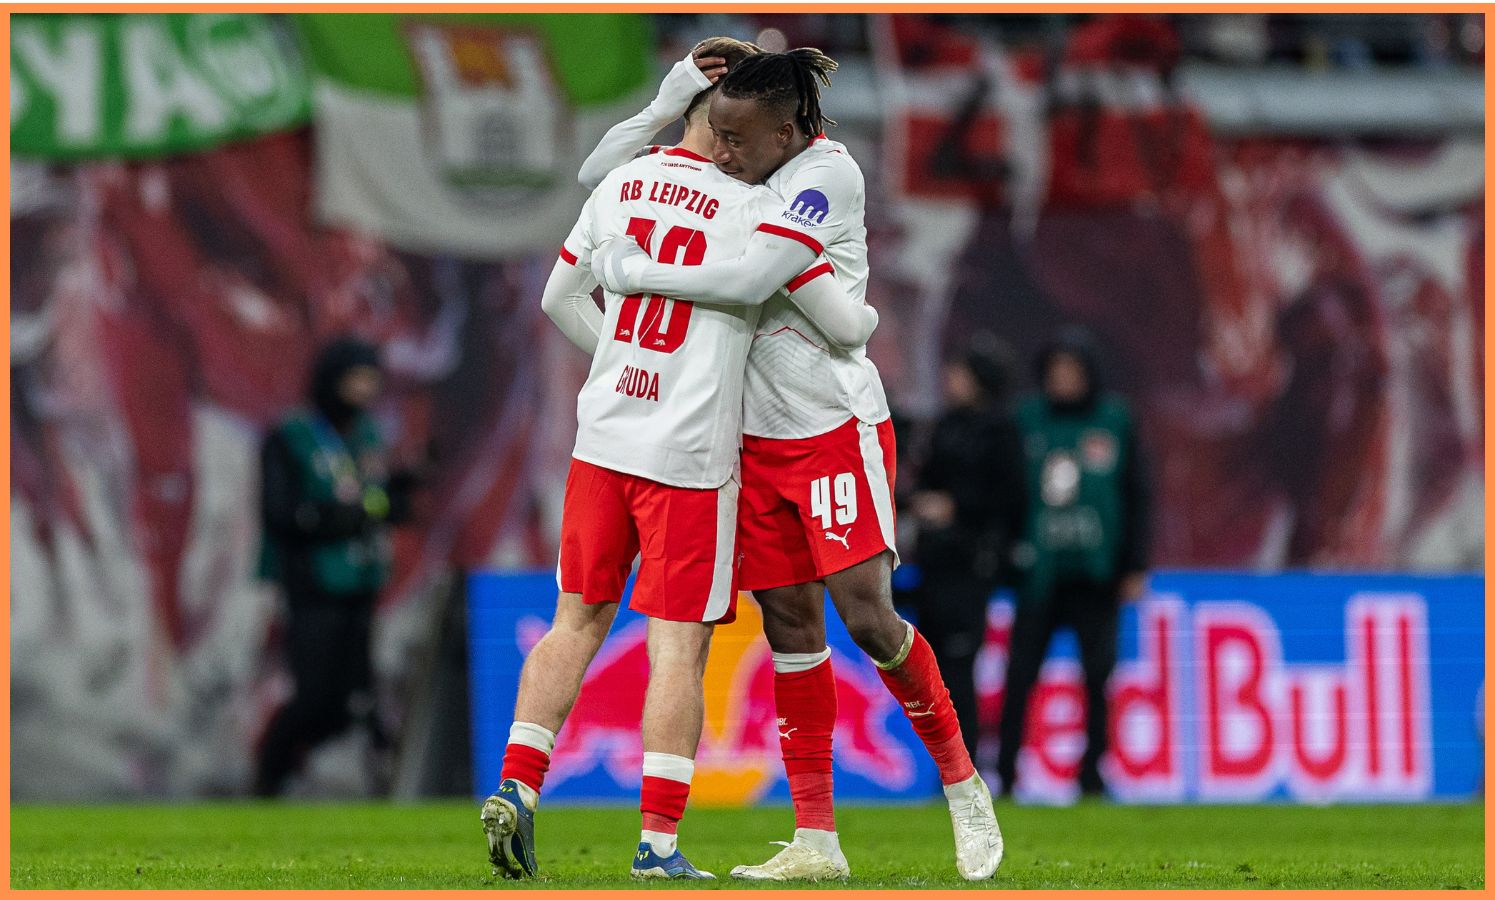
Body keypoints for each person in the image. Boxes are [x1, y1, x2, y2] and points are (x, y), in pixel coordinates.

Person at [592, 49, 1003, 882]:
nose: (723, 153)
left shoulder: (829, 175)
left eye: (739, 140)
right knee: (788, 627)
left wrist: (634, 271)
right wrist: (672, 98)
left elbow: (747, 278)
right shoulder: (741, 165)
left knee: (867, 617)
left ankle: (963, 784)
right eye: (720, 136)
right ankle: (816, 838)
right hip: (745, 438)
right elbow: (601, 181)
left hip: (828, 428)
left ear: (787, 131)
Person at [480, 38, 876, 882]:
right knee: (676, 650)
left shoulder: (622, 183)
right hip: (687, 455)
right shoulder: (757, 209)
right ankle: (656, 843)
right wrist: (858, 325)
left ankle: (518, 783)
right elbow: (841, 322)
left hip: (602, 437)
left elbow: (559, 295)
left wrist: (625, 359)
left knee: (573, 621)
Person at [995, 328, 1151, 798]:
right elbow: (1005, 493)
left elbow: (1137, 496)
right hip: (1038, 574)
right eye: (1056, 371)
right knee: (1019, 677)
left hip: (1096, 574)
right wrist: (1006, 557)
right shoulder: (1026, 420)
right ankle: (1003, 774)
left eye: (1072, 371)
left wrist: (1135, 565)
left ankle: (1093, 776)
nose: (1063, 380)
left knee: (1098, 678)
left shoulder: (1115, 421)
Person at [254, 337, 409, 797]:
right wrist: (342, 515)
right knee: (313, 696)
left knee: (350, 701)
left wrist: (393, 498)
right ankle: (267, 776)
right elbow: (281, 512)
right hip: (312, 581)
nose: (363, 389)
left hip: (360, 580)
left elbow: (374, 497)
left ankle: (288, 768)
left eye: (370, 379)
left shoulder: (367, 437)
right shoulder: (292, 436)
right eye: (354, 378)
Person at [910, 336, 1027, 767]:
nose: (950, 379)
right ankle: (945, 767)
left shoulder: (1001, 432)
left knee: (958, 670)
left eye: (960, 373)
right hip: (935, 562)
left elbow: (1011, 498)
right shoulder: (945, 426)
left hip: (970, 564)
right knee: (933, 672)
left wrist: (956, 507)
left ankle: (966, 766)